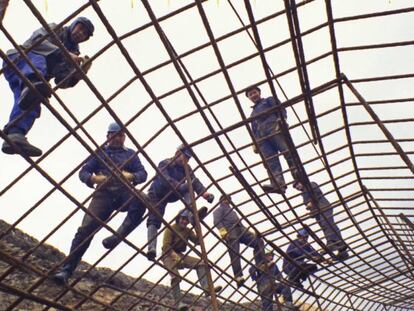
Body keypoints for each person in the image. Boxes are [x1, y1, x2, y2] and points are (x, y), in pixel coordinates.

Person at [53, 122, 148, 284]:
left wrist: (130, 176)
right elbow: (83, 172)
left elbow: (143, 173)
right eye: (115, 134)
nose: (119, 138)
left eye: (121, 135)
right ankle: (66, 270)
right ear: (108, 136)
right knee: (85, 230)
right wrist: (95, 179)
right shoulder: (100, 153)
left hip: (124, 191)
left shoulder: (131, 154)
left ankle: (118, 236)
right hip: (103, 194)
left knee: (143, 200)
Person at [2, 16, 94, 157]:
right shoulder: (56, 29)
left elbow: (62, 81)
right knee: (38, 61)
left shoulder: (74, 53)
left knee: (31, 101)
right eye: (80, 28)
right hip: (19, 60)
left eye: (84, 34)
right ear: (74, 24)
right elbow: (37, 42)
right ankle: (33, 83)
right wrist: (64, 53)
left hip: (34, 79)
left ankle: (15, 134)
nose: (80, 33)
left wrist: (79, 74)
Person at [140, 144, 214, 261]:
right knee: (155, 218)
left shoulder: (187, 168)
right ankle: (151, 248)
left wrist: (204, 193)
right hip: (158, 193)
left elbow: (195, 182)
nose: (187, 160)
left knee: (190, 184)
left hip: (174, 193)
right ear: (178, 153)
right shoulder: (165, 163)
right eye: (185, 157)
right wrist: (181, 186)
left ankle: (191, 214)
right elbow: (166, 181)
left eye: (188, 158)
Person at [162, 210, 222, 310]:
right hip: (167, 254)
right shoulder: (170, 229)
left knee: (201, 263)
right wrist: (175, 257)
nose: (184, 222)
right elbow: (166, 247)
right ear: (178, 218)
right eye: (183, 219)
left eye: (187, 220)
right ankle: (178, 303)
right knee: (175, 277)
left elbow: (197, 241)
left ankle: (206, 288)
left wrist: (196, 226)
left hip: (180, 254)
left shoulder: (188, 231)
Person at [245, 85, 298, 194]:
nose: (253, 95)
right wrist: (255, 142)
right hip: (263, 139)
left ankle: (298, 175)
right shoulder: (252, 114)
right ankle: (278, 183)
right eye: (250, 95)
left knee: (287, 152)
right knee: (271, 161)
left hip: (274, 129)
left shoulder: (269, 100)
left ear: (259, 92)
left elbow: (280, 109)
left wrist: (281, 120)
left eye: (254, 92)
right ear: (249, 98)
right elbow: (254, 129)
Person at [213, 194, 265, 288]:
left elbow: (241, 224)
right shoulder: (218, 210)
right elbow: (216, 221)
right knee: (235, 253)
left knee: (258, 241)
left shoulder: (233, 211)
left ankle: (261, 264)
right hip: (230, 230)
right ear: (220, 201)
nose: (226, 200)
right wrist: (222, 230)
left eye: (228, 199)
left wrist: (250, 233)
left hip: (241, 229)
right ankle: (238, 276)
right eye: (224, 199)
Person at [294, 181, 348, 260]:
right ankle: (341, 249)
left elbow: (317, 193)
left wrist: (311, 202)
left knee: (327, 224)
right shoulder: (303, 194)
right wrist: (311, 213)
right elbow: (310, 205)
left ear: (301, 181)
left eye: (297, 184)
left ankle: (332, 242)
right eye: (296, 187)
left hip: (323, 207)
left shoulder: (310, 184)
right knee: (325, 226)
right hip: (317, 212)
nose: (297, 187)